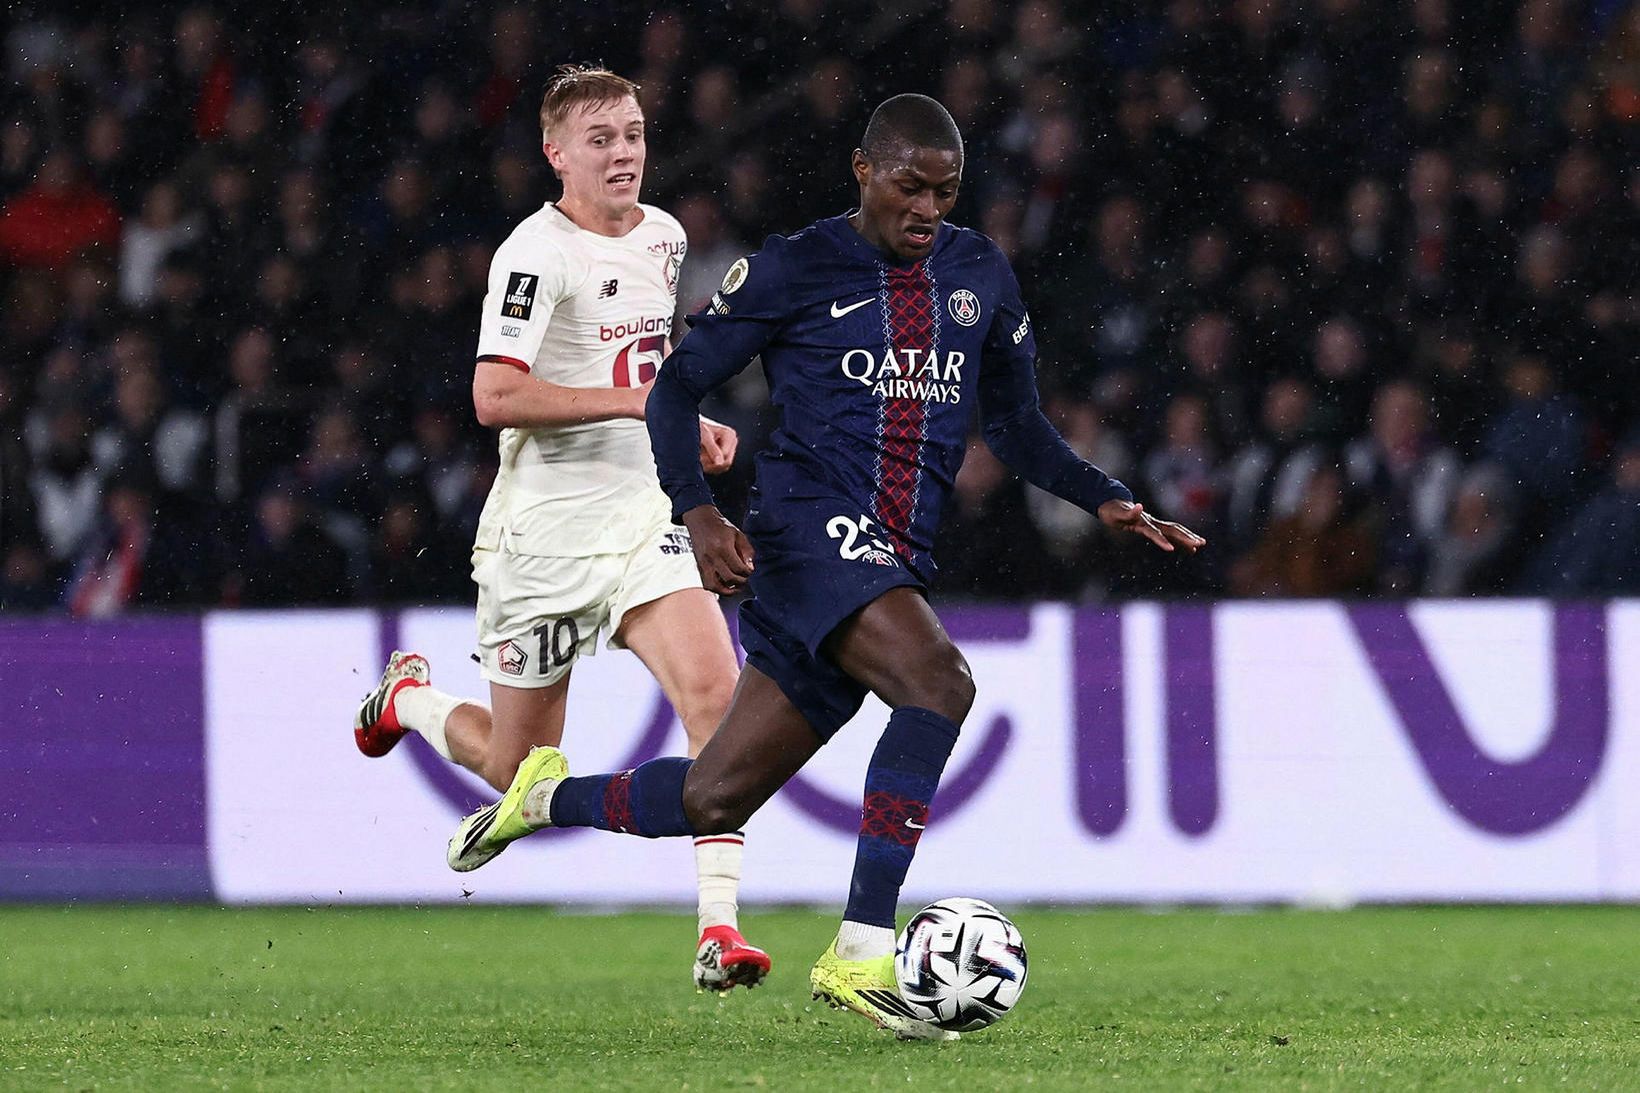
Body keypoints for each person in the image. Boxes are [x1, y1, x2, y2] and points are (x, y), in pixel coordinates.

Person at [446, 94, 1204, 1039]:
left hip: (893, 552)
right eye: (909, 187)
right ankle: (860, 947)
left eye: (945, 192)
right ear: (864, 170)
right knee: (939, 682)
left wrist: (1103, 495)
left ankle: (540, 798)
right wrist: (697, 511)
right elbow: (677, 384)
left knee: (713, 793)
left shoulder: (978, 272)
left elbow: (1014, 423)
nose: (926, 208)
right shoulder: (796, 266)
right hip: (808, 531)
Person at [351, 66, 768, 993]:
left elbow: (651, 365)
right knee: (516, 767)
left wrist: (684, 416)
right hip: (541, 536)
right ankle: (408, 701)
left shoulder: (666, 237)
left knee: (717, 697)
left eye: (633, 134)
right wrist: (636, 403)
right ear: (557, 154)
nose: (623, 153)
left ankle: (719, 930)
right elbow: (494, 395)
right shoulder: (534, 254)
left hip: (643, 516)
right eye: (600, 139)